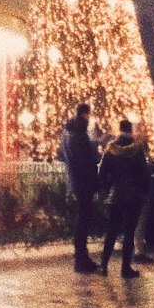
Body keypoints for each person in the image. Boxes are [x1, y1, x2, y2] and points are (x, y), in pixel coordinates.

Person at [97, 120, 151, 278]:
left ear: (119, 130)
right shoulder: (137, 149)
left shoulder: (110, 149)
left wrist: (109, 190)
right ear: (131, 130)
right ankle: (125, 268)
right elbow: (144, 174)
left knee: (112, 231)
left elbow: (102, 175)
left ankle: (103, 265)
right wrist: (144, 191)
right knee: (129, 232)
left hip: (116, 196)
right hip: (134, 197)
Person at [59, 103, 100, 273]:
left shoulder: (68, 133)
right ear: (84, 114)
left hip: (77, 181)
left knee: (82, 218)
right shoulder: (79, 135)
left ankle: (81, 256)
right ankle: (81, 258)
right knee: (84, 219)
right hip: (84, 181)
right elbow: (87, 160)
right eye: (88, 115)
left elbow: (62, 155)